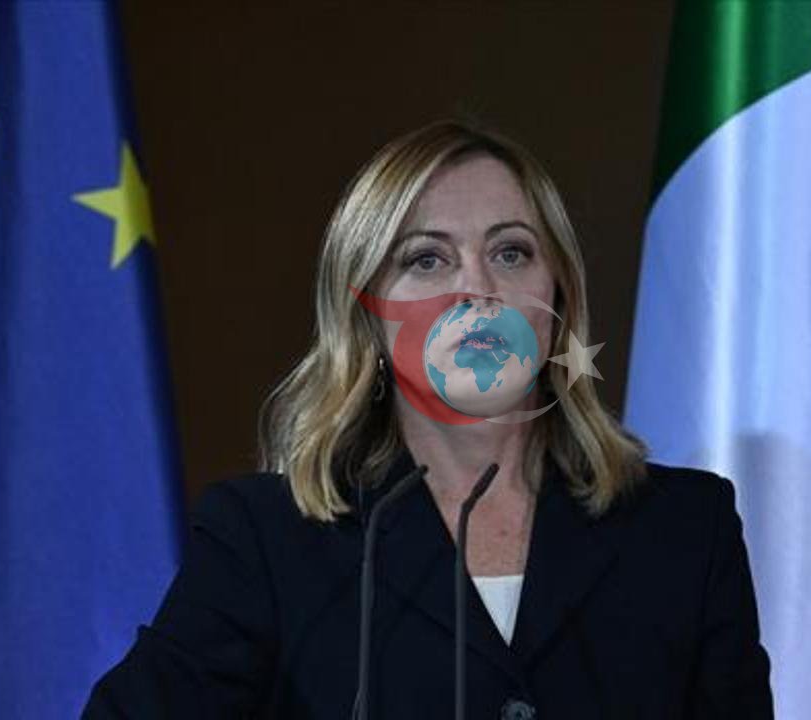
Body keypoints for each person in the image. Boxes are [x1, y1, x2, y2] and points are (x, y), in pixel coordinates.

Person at [83, 121, 773, 718]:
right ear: (366, 316)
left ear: (557, 294)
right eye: (427, 259)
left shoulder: (687, 527)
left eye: (510, 252)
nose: (478, 288)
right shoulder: (266, 539)